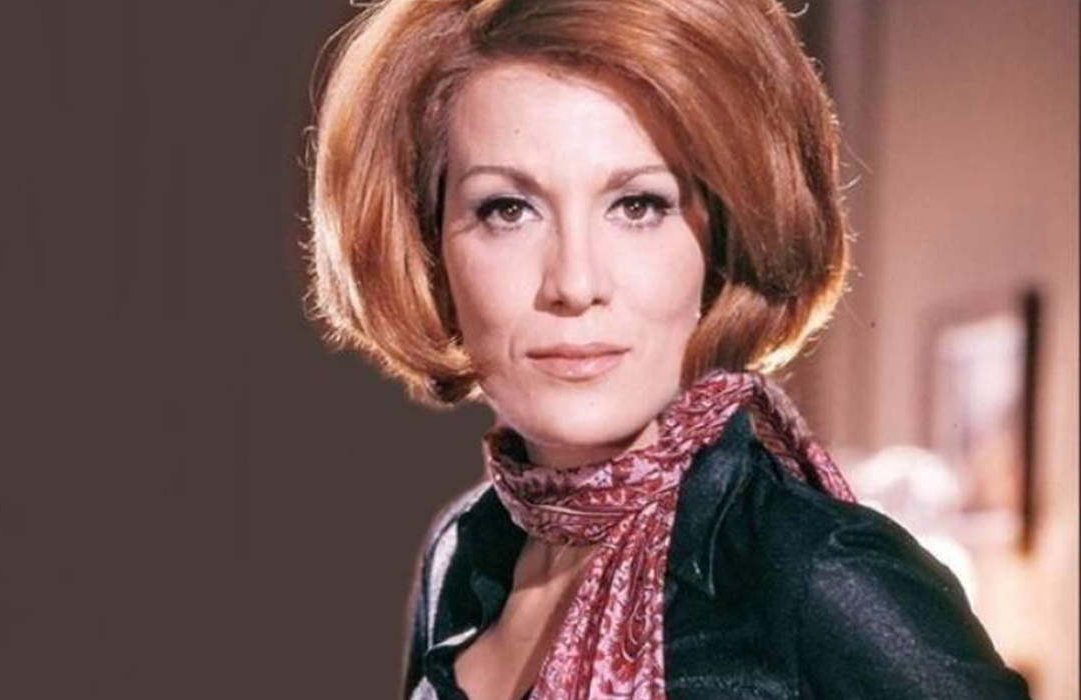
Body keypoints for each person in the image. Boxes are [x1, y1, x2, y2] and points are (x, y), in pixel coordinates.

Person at [304, 1, 1034, 698]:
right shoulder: (463, 552)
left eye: (638, 206)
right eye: (508, 209)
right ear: (431, 245)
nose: (575, 283)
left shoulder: (818, 576)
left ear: (723, 237)